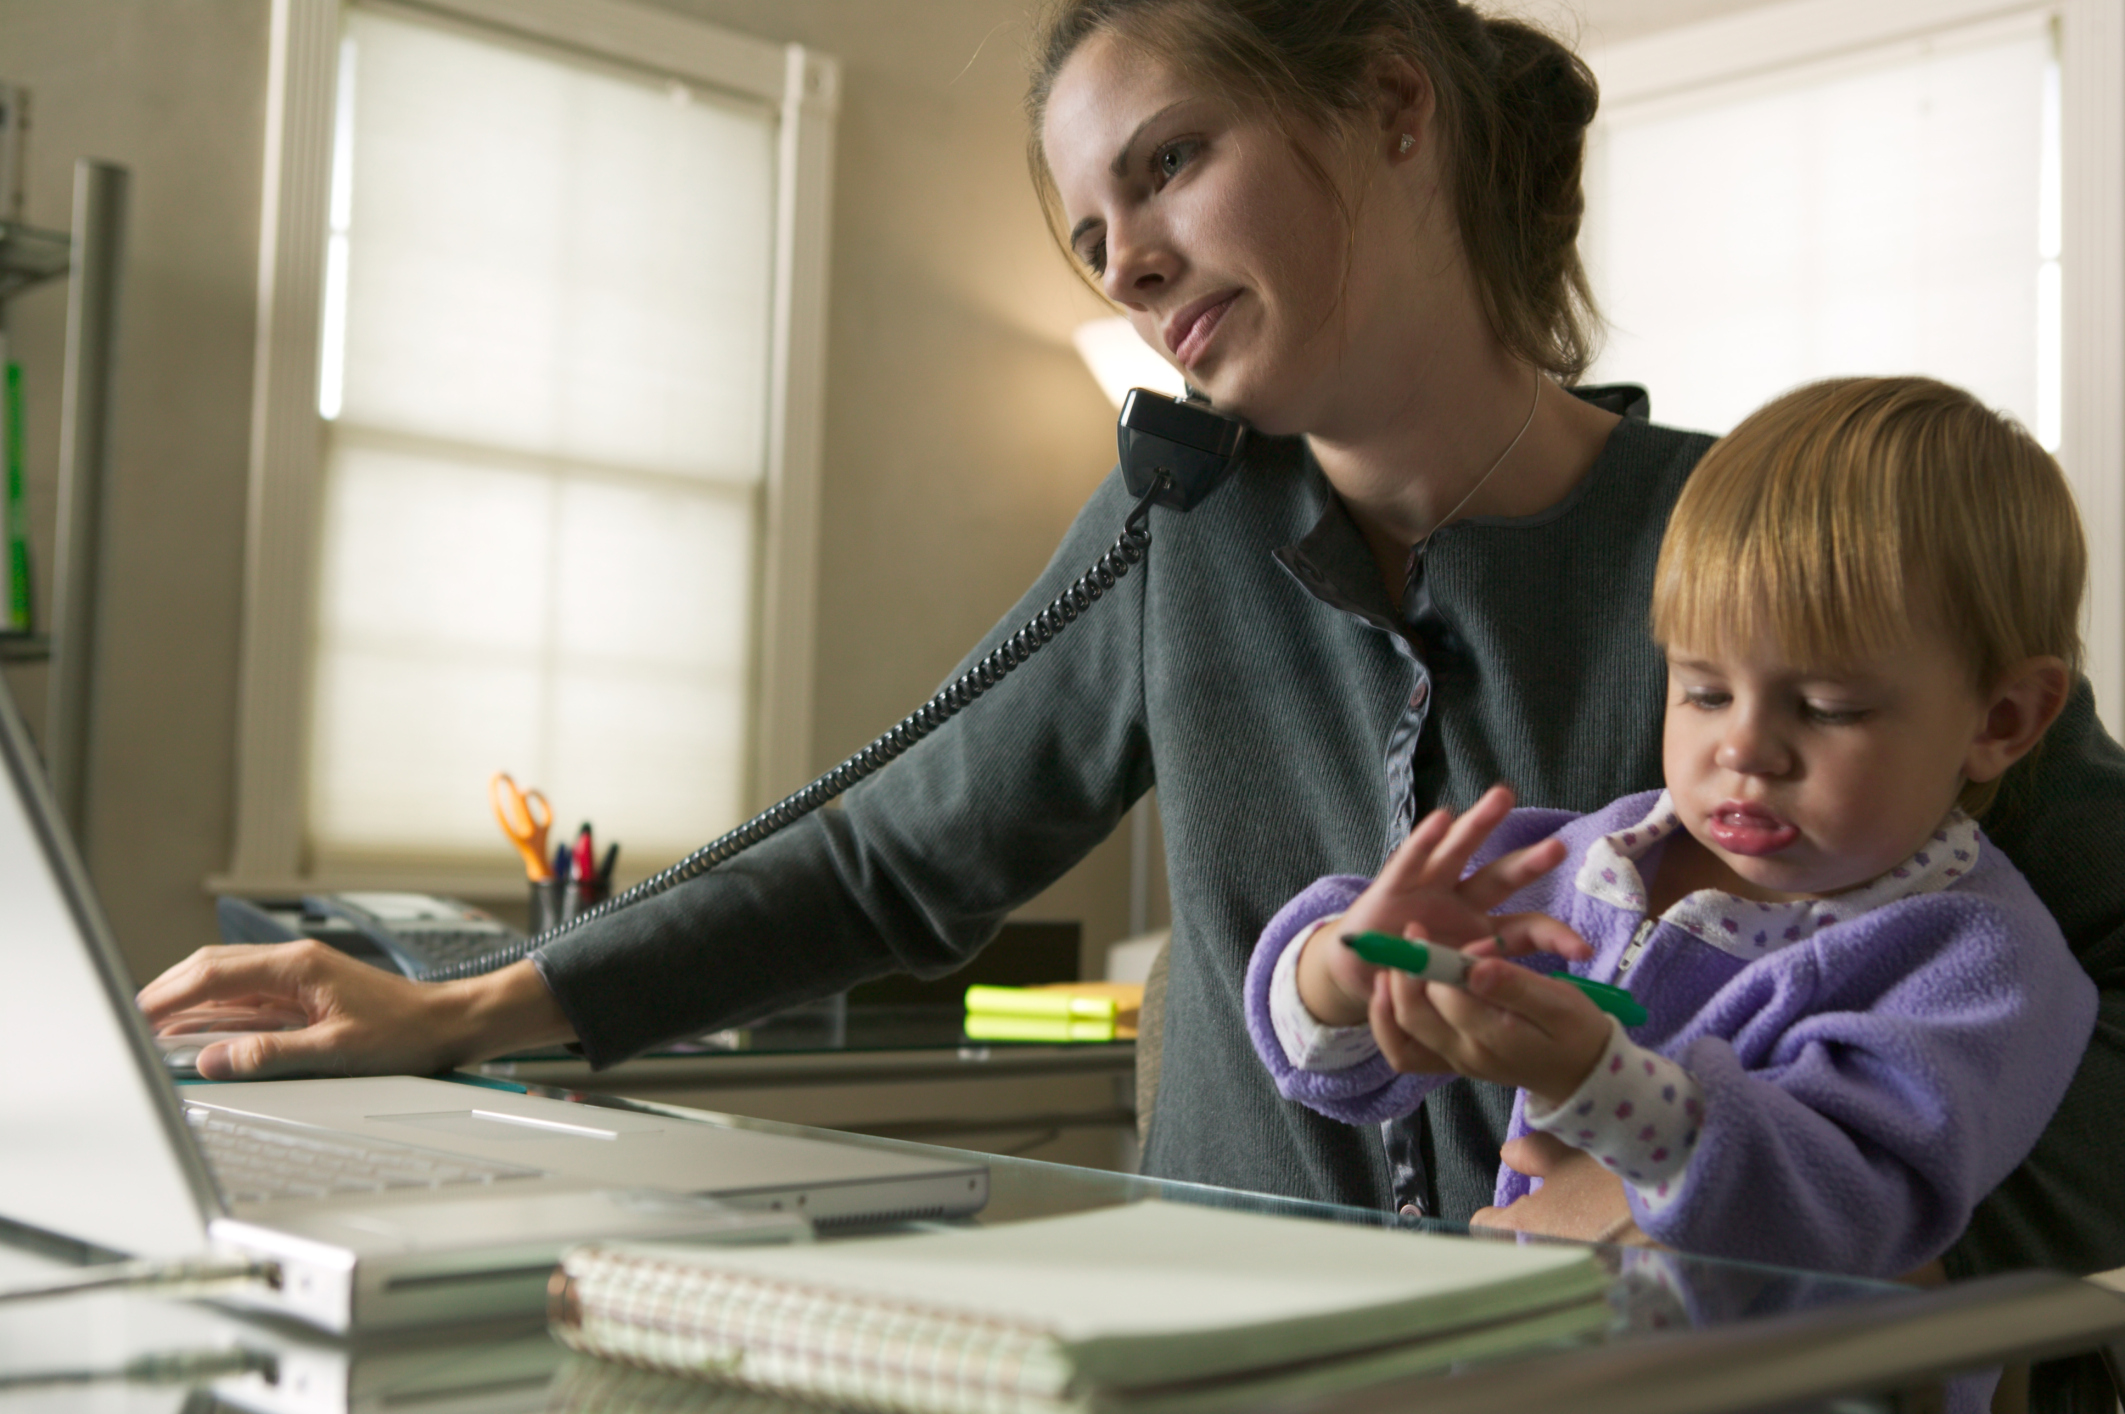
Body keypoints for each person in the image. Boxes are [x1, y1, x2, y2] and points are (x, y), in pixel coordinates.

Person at [140, 4, 2125, 1396]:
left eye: (1170, 164)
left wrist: (1892, 1236)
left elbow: (2078, 958)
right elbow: (887, 857)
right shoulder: (1172, 530)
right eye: (1096, 235)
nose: (1132, 265)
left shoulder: (1768, 554)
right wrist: (467, 1010)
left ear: (1394, 106)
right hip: (1223, 1364)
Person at [1247, 376, 2096, 1287]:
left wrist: (1604, 1088)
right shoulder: (1595, 865)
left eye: (1825, 707)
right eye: (1703, 691)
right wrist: (1343, 970)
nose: (1743, 748)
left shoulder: (1979, 962)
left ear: (2001, 719)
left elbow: (1849, 1204)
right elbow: (1343, 1071)